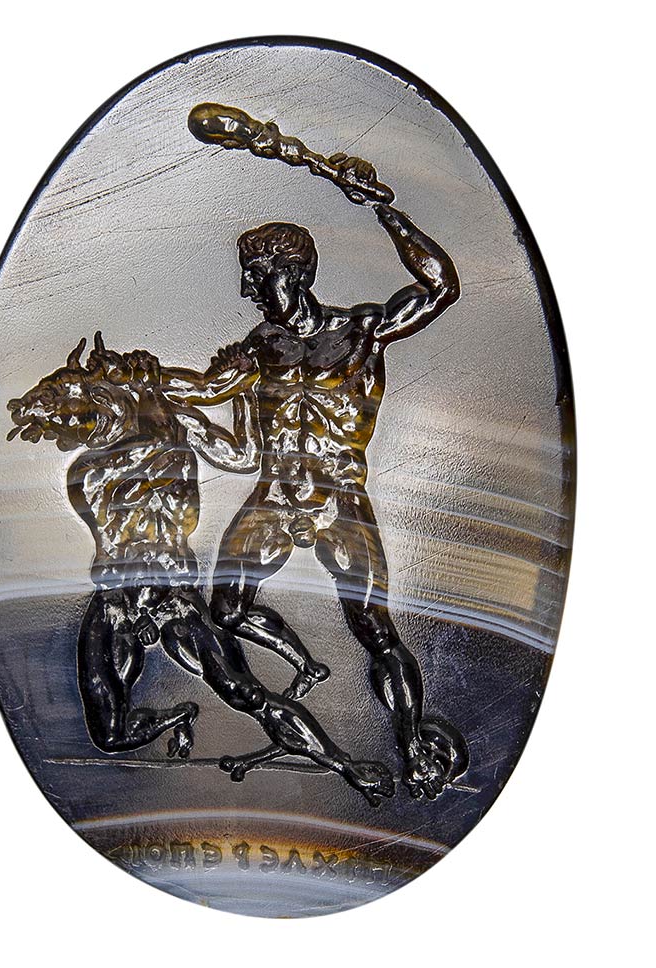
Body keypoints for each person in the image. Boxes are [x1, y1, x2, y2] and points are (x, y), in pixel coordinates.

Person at [163, 157, 467, 799]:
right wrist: (138, 375)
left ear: (293, 271)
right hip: (273, 498)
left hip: (339, 498)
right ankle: (295, 696)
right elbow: (204, 389)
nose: (247, 289)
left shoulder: (362, 330)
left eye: (255, 274)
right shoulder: (259, 347)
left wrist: (383, 208)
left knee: (375, 630)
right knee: (225, 611)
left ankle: (411, 739)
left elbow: (441, 288)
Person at [7, 332, 395, 806]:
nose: (70, 432)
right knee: (109, 733)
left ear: (91, 396)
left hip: (176, 597)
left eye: (66, 418)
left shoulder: (172, 421)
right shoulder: (86, 472)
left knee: (245, 693)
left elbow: (243, 456)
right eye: (62, 429)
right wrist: (163, 391)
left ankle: (345, 766)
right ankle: (180, 715)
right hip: (116, 601)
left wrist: (244, 389)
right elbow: (150, 458)